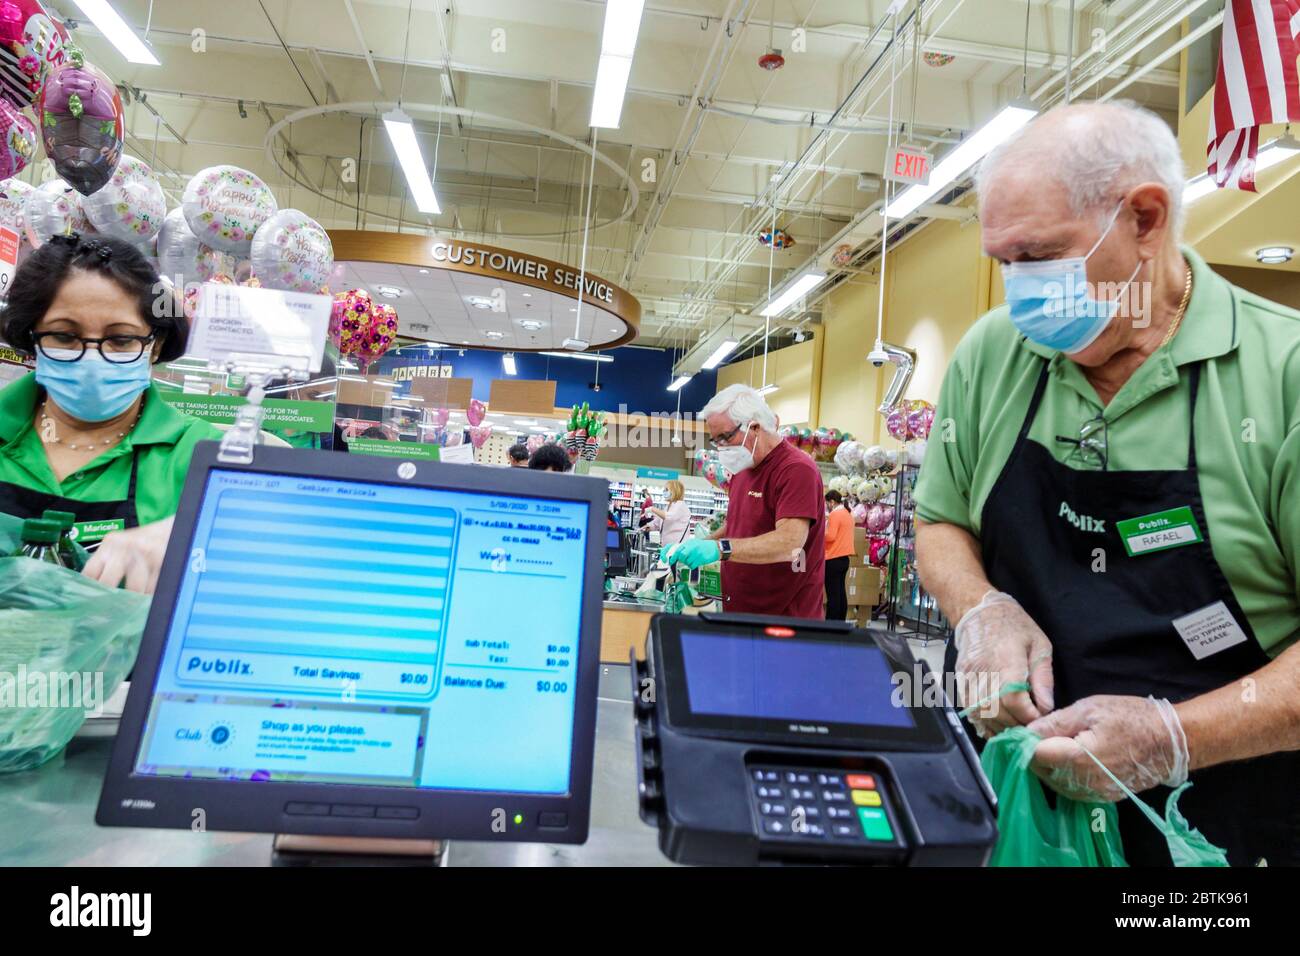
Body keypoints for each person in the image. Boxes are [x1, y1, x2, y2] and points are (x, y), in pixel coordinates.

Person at [913, 101, 1300, 866]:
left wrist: (1174, 739)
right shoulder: (996, 354)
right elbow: (940, 520)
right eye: (1004, 263)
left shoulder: (1281, 375)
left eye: (1040, 256)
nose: (1019, 289)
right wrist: (979, 609)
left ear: (1146, 220)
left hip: (1220, 833)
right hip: (1014, 815)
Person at [0, 233, 220, 594]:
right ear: (31, 336)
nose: (91, 358)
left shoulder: (201, 452)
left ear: (155, 345)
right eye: (64, 336)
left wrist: (199, 538)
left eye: (120, 340)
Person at [666, 384, 825, 619]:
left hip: (784, 619)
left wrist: (720, 549)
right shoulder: (744, 468)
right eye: (715, 440)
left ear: (755, 427)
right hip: (742, 611)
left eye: (725, 437)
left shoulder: (796, 470)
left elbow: (790, 543)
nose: (720, 447)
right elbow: (739, 525)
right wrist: (695, 547)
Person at [823, 490, 854, 621]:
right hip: (844, 559)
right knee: (841, 593)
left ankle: (831, 623)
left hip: (832, 558)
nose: (827, 507)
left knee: (833, 595)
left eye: (827, 504)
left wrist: (820, 532)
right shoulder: (848, 514)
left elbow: (830, 536)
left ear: (832, 502)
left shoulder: (835, 515)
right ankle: (840, 621)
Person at [649, 479, 691, 548]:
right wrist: (648, 526)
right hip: (667, 547)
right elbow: (658, 521)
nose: (664, 492)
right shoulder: (668, 506)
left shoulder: (680, 505)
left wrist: (653, 509)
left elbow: (668, 517)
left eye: (666, 490)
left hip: (677, 547)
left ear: (674, 491)